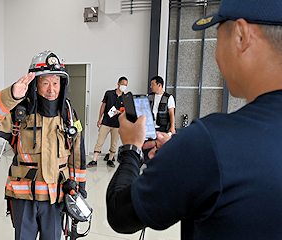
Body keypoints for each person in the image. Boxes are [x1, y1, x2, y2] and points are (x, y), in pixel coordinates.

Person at [106, 0, 282, 239]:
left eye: (217, 38)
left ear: (241, 36)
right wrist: (182, 156)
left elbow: (120, 213)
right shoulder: (203, 149)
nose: (217, 55)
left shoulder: (209, 144)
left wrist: (131, 148)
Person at [0, 50, 87, 240]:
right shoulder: (19, 114)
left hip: (56, 199)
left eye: (56, 82)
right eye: (45, 83)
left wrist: (79, 190)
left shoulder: (69, 116)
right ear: (35, 84)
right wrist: (11, 95)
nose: (51, 89)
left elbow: (78, 155)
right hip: (23, 199)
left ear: (63, 84)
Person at [87, 77, 128, 168]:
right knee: (99, 141)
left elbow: (126, 111)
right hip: (105, 122)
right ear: (118, 84)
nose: (124, 86)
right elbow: (103, 106)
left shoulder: (125, 97)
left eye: (126, 85)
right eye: (123, 84)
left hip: (117, 124)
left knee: (114, 143)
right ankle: (94, 160)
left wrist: (119, 112)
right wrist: (99, 119)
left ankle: (110, 160)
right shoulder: (109, 93)